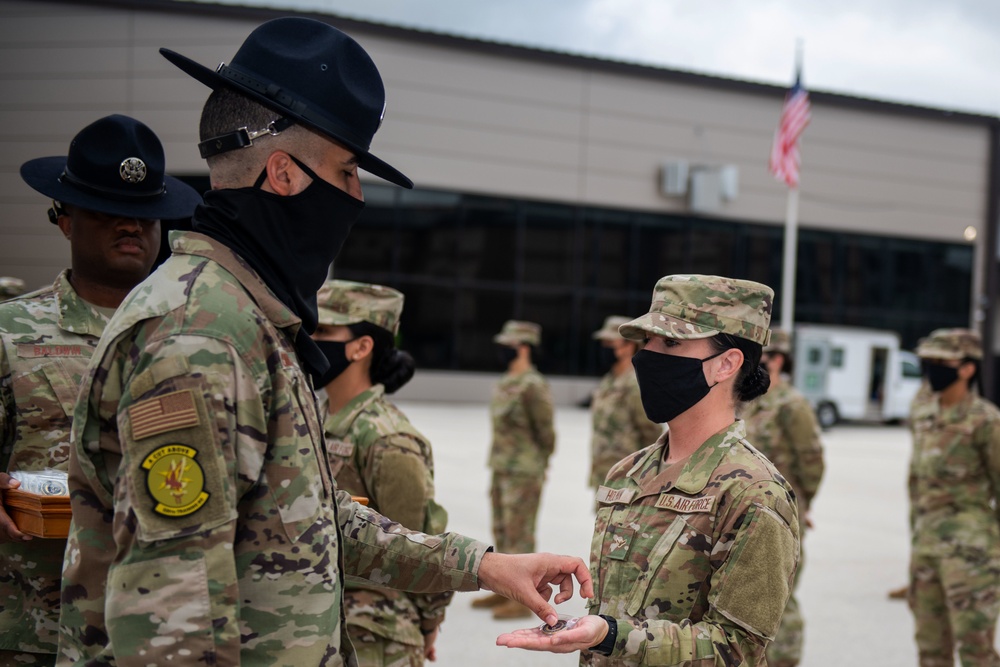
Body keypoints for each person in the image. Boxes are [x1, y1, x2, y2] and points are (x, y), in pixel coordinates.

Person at [58, 19, 590, 666]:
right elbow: (172, 626)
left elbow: (307, 518)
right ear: (283, 174)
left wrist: (483, 563)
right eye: (346, 170)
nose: (357, 195)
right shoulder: (199, 334)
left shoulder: (252, 320)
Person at [496, 274, 800, 666]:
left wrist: (610, 636)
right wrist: (598, 632)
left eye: (670, 342)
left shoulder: (755, 495)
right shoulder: (628, 472)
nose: (647, 356)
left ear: (726, 363)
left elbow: (735, 650)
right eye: (648, 342)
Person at [0, 115, 200, 667]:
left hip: (162, 631)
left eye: (144, 215)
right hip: (35, 632)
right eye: (106, 210)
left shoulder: (198, 339)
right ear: (63, 219)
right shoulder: (9, 335)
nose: (129, 226)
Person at [312, 279, 450, 666]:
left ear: (361, 346)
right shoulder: (314, 417)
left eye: (324, 331)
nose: (311, 339)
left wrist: (428, 626)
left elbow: (423, 545)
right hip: (321, 619)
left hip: (375, 636)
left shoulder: (389, 438)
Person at [907, 328, 1000, 667]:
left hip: (971, 552)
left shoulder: (985, 421)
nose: (931, 370)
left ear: (967, 369)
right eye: (927, 362)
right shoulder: (923, 415)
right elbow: (915, 483)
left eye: (940, 362)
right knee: (931, 650)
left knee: (976, 650)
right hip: (927, 546)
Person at [741, 328, 824, 667]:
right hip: (746, 509)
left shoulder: (792, 404)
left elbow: (812, 460)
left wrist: (802, 504)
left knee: (780, 598)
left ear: (776, 360)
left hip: (782, 511)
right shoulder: (745, 399)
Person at [473, 320, 556, 620]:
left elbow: (546, 432)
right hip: (501, 467)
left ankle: (524, 600)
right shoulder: (507, 380)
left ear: (522, 347)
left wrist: (538, 463)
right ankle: (503, 590)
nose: (502, 351)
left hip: (523, 471)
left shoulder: (533, 385)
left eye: (507, 346)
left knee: (520, 537)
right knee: (502, 531)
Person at [588, 315, 662, 490]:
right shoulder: (609, 380)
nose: (604, 349)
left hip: (627, 478)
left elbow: (651, 433)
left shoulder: (636, 384)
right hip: (604, 472)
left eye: (610, 344)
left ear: (629, 346)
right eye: (603, 344)